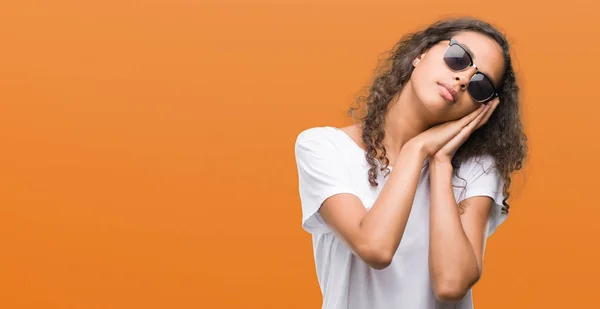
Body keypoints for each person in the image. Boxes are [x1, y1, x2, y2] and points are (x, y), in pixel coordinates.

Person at [293, 17, 528, 309]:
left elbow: (451, 285)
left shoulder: (475, 169)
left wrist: (441, 162)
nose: (464, 79)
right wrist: (416, 150)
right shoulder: (324, 147)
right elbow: (375, 247)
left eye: (481, 85)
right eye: (458, 58)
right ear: (421, 54)